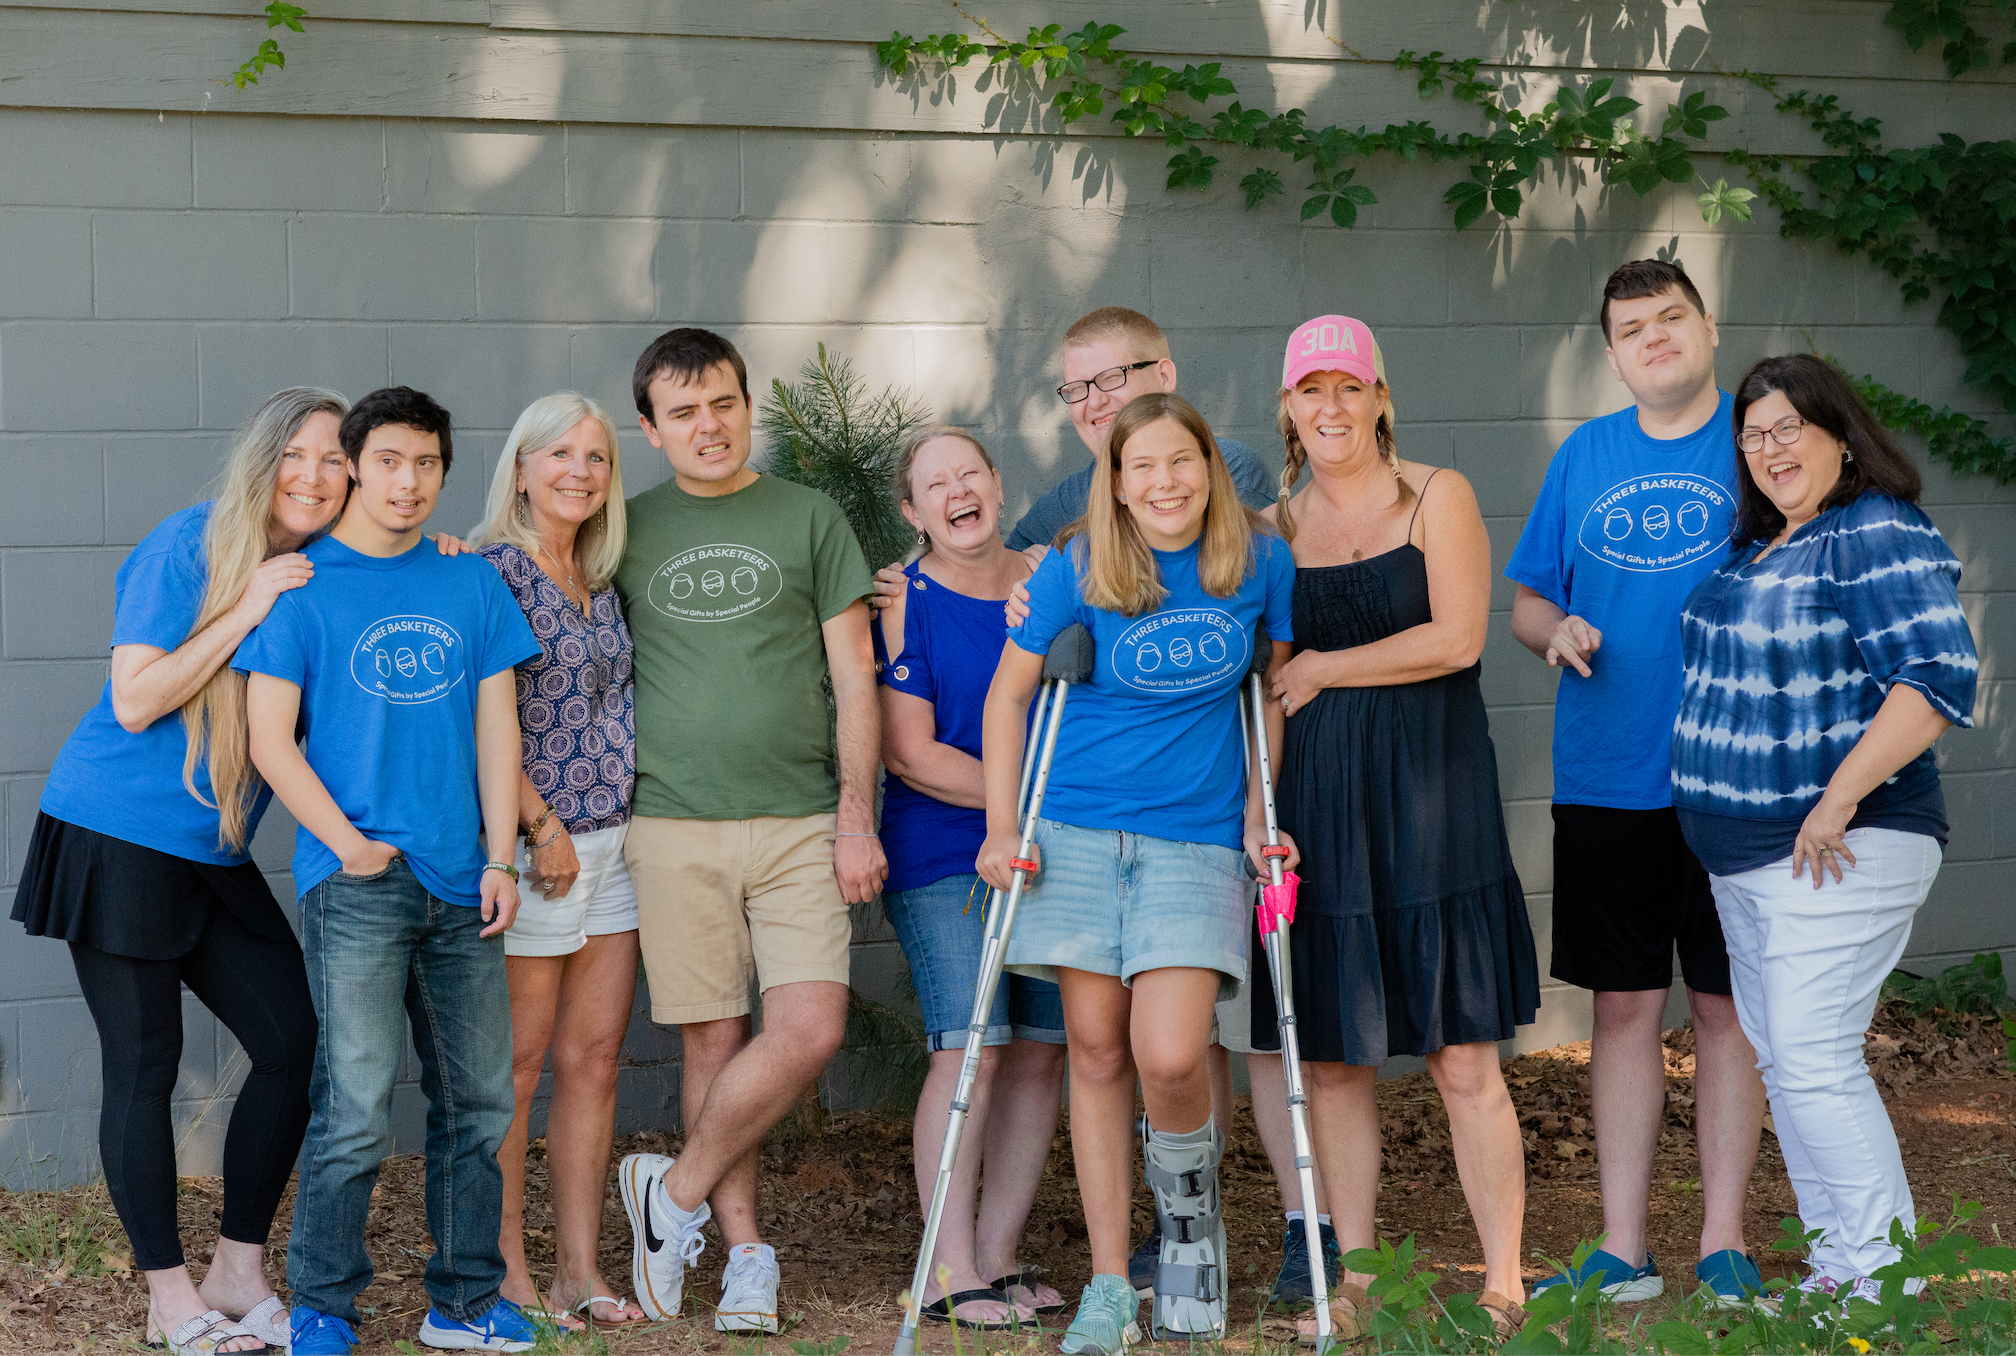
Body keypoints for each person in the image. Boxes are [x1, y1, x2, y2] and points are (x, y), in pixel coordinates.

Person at [12, 389, 347, 1356]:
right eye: (299, 456)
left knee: (293, 1042)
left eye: (337, 461)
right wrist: (246, 605)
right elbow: (133, 698)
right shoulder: (191, 544)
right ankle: (169, 1298)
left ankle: (238, 1268)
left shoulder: (328, 566)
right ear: (264, 458)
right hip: (116, 834)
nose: (316, 478)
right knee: (146, 1064)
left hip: (215, 849)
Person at [982, 391, 1297, 1353]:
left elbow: (1270, 689)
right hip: (1075, 830)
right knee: (1098, 1050)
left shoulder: (1259, 560)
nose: (1164, 483)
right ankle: (1113, 1281)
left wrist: (1257, 806)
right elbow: (1009, 699)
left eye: (1181, 462)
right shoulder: (1079, 565)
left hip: (1194, 838)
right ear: (1114, 483)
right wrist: (1001, 826)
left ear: (1209, 465)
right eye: (1141, 468)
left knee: (1170, 1052)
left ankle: (1192, 1231)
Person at [235, 386, 544, 1356]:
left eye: (427, 466)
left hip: (465, 881)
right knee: (358, 1107)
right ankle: (322, 1304)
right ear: (355, 466)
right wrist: (352, 843)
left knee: (480, 1102)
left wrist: (503, 855)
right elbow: (269, 740)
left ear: (444, 474)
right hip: (356, 879)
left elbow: (501, 725)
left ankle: (461, 1302)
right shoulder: (300, 584)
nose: (407, 484)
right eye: (388, 463)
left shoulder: (471, 584)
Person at [1256, 314, 1539, 1343]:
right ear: (1287, 409)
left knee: (1463, 1058)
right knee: (1335, 1061)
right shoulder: (1276, 528)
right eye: (1309, 390)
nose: (1330, 407)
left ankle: (1506, 1280)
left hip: (1432, 799)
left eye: (1348, 387)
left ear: (1381, 395)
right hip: (1324, 810)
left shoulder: (1438, 497)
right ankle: (1361, 1284)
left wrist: (1328, 666)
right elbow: (1256, 675)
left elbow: (1459, 637)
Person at [1672, 354, 1976, 1304]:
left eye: (1788, 429)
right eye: (1752, 435)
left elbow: (1935, 679)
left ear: (1841, 434)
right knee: (1790, 1062)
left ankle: (1886, 1282)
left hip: (1841, 843)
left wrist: (1837, 797)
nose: (1769, 450)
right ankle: (1843, 1267)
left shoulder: (1872, 530)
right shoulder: (1762, 544)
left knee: (1808, 1058)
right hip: (1747, 859)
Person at [1505, 259, 1767, 1307]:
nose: (1655, 337)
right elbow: (1527, 604)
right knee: (1621, 1007)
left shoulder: (1758, 441)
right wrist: (1555, 629)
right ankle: (1623, 1245)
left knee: (1724, 1010)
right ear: (1611, 356)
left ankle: (1722, 1240)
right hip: (1609, 777)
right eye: (1633, 327)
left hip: (1738, 778)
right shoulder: (1585, 455)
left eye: (1672, 318)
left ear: (1707, 329)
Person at [613, 328, 882, 1335]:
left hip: (804, 818)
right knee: (714, 1038)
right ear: (650, 429)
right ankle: (743, 1258)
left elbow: (856, 676)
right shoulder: (624, 528)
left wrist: (857, 815)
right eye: (683, 412)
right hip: (671, 821)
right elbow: (540, 575)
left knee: (809, 1028)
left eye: (722, 402)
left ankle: (669, 1197)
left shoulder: (807, 516)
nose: (708, 425)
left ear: (746, 405)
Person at [876, 426, 1068, 1330]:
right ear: (914, 513)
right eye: (934, 485)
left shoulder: (1047, 583)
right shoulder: (902, 604)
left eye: (970, 474)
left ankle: (993, 1257)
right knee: (971, 1048)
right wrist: (1020, 801)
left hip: (1053, 846)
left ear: (996, 484)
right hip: (946, 849)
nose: (958, 492)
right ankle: (944, 1268)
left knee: (1040, 1052)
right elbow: (910, 755)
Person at [467, 392, 646, 1329]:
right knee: (521, 1068)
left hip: (616, 843)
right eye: (561, 455)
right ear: (522, 467)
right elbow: (479, 716)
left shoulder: (600, 574)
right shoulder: (493, 569)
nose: (581, 471)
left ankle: (581, 1268)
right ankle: (504, 1266)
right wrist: (539, 826)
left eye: (598, 458)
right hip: (545, 846)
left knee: (595, 1061)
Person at [1003, 306, 1276, 550]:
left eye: (1111, 378)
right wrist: (1027, 567)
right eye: (1077, 389)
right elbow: (1004, 569)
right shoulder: (1065, 504)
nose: (1095, 401)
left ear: (1164, 377)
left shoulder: (1228, 467)